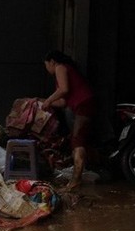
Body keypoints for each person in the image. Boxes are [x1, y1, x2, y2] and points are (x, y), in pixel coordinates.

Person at [41, 50, 96, 191]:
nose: (47, 69)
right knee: (78, 140)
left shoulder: (60, 67)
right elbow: (63, 102)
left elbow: (64, 90)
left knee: (77, 141)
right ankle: (80, 176)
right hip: (82, 105)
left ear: (52, 62)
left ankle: (75, 181)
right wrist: (45, 102)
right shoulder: (64, 71)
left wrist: (48, 100)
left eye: (46, 65)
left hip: (84, 104)